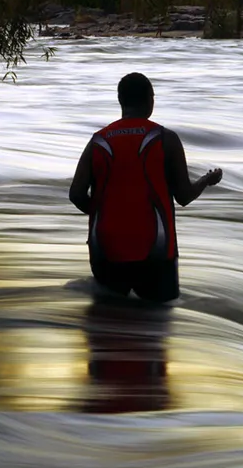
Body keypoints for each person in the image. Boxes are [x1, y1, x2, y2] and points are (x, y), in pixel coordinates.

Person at [69, 73, 222, 302]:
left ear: (121, 101)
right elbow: (183, 196)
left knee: (107, 326)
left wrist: (109, 214)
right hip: (156, 253)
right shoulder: (165, 139)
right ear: (151, 100)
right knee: (155, 330)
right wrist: (205, 181)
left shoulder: (98, 141)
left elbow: (76, 194)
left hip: (106, 251)